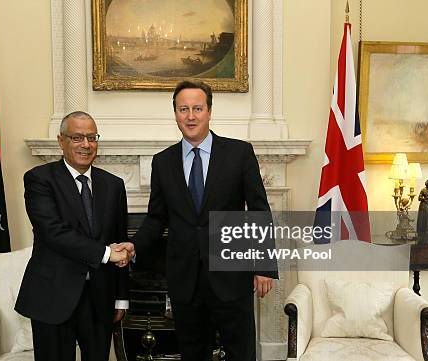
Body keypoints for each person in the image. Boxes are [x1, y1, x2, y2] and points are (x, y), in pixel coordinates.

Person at [116, 80, 278, 361]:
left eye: (197, 108)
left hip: (232, 276)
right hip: (185, 280)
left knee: (241, 353)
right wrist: (134, 246)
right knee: (192, 354)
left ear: (209, 111)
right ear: (176, 114)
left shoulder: (239, 153)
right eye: (183, 109)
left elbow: (259, 210)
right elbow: (156, 218)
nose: (190, 116)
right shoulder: (162, 162)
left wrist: (263, 266)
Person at [15, 111, 131, 361]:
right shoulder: (39, 179)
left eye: (92, 137)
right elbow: (53, 233)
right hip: (53, 297)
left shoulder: (114, 185)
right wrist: (107, 254)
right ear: (61, 141)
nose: (86, 145)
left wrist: (121, 297)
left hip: (100, 299)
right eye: (77, 137)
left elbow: (119, 236)